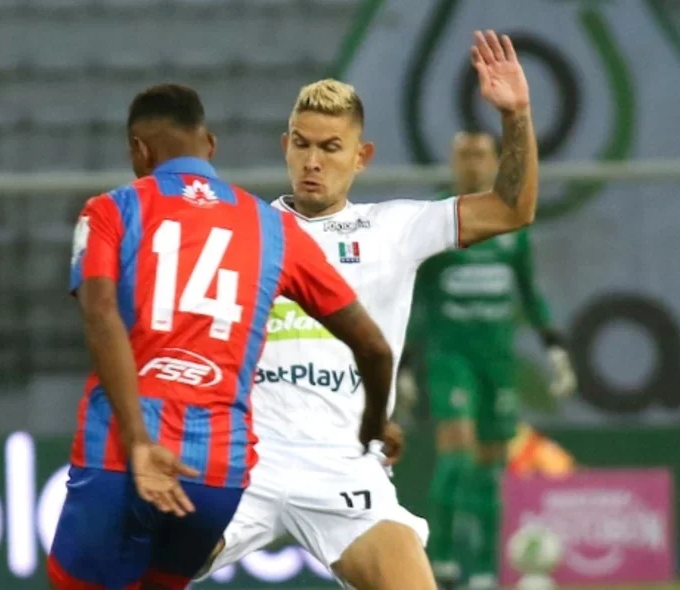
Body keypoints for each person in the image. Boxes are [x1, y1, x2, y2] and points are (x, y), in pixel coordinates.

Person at [199, 31, 539, 590]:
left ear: (361, 157)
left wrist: (517, 114)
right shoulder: (243, 230)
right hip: (244, 467)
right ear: (285, 144)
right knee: (128, 573)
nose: (312, 161)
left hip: (345, 470)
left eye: (330, 148)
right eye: (302, 144)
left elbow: (511, 209)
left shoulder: (394, 228)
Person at [46, 84, 397, 590]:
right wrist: (372, 424)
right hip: (215, 472)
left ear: (139, 151)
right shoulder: (274, 229)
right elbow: (375, 348)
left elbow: (101, 316)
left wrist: (140, 442)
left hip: (123, 456)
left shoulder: (109, 211)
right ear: (209, 146)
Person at [403, 131, 577, 590]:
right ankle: (440, 562)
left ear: (496, 161)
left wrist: (555, 346)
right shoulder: (437, 222)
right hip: (449, 356)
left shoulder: (510, 224)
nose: (472, 163)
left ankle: (483, 569)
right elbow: (413, 300)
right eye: (464, 154)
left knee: (491, 467)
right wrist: (403, 365)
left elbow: (529, 291)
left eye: (481, 154)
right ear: (453, 161)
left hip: (497, 361)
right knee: (456, 455)